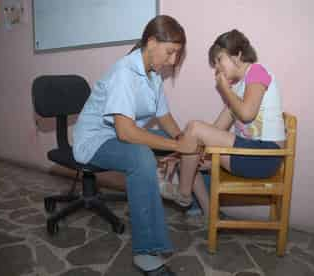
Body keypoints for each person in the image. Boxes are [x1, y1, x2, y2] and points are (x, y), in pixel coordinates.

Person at [73, 15, 197, 276]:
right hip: (94, 140)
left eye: (178, 54)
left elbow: (164, 117)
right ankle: (146, 253)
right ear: (152, 42)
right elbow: (126, 132)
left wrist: (181, 140)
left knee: (175, 144)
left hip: (117, 137)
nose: (173, 61)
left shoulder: (152, 76)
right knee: (141, 156)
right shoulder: (124, 72)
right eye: (171, 52)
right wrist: (177, 146)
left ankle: (177, 194)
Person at [160, 29, 285, 218]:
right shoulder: (238, 88)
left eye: (219, 60)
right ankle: (211, 214)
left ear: (238, 55)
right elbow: (216, 130)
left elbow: (246, 114)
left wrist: (225, 90)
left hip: (265, 156)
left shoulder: (256, 72)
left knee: (193, 128)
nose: (217, 68)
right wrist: (179, 153)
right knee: (190, 155)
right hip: (247, 153)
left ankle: (183, 194)